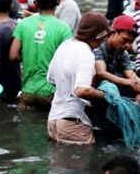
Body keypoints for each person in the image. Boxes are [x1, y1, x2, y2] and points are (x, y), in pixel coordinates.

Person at [46, 12, 110, 145]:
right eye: (103, 37)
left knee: (60, 164)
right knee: (81, 163)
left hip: (53, 120)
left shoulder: (65, 45)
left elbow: (51, 79)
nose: (104, 41)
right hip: (72, 123)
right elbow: (82, 90)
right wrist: (104, 95)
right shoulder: (86, 54)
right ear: (98, 36)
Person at [10, 0, 73, 109]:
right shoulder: (63, 28)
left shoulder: (23, 24)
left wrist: (30, 53)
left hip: (28, 91)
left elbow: (13, 55)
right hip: (51, 93)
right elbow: (68, 63)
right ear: (58, 2)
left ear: (35, 3)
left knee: (26, 127)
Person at [93, 15, 140, 96]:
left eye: (131, 42)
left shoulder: (122, 52)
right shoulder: (98, 45)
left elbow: (131, 74)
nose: (127, 45)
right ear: (113, 33)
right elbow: (101, 72)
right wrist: (129, 82)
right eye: (125, 40)